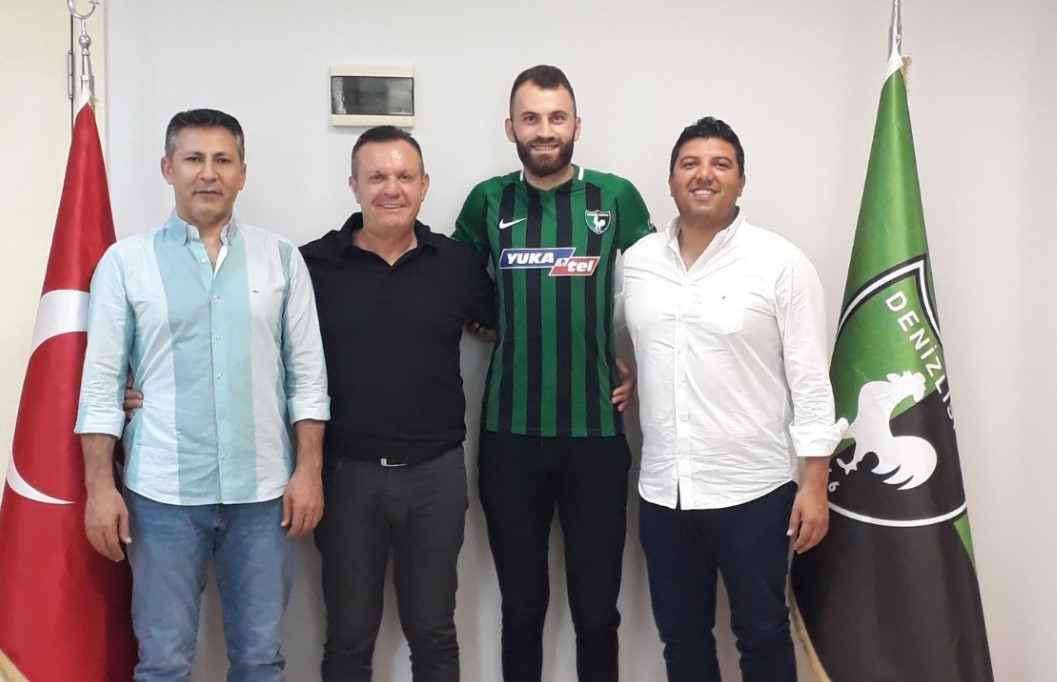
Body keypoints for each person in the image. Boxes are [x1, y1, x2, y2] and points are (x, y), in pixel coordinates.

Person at [75, 108, 330, 681]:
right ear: (168, 168)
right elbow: (101, 385)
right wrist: (99, 488)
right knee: (163, 663)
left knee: (261, 660)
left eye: (223, 160)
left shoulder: (282, 259)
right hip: (161, 494)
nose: (208, 173)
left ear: (243, 173)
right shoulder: (126, 263)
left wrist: (309, 470)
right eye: (193, 159)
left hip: (263, 494)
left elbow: (308, 377)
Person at [617, 116, 841, 682]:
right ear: (671, 179)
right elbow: (625, 337)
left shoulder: (780, 263)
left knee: (762, 633)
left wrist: (815, 484)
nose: (704, 175)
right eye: (690, 164)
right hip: (664, 492)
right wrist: (625, 370)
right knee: (681, 638)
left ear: (741, 181)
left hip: (754, 491)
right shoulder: (637, 261)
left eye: (721, 164)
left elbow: (811, 379)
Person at [453, 65, 654, 682]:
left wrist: (646, 367)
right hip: (509, 436)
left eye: (556, 117)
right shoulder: (488, 200)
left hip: (596, 435)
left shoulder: (615, 197)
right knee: (521, 610)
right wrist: (485, 318)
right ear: (510, 127)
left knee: (597, 614)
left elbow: (662, 292)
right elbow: (453, 281)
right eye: (531, 118)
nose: (544, 130)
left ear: (576, 125)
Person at [300, 126, 495, 682]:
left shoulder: (456, 264)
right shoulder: (311, 266)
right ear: (354, 186)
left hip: (435, 477)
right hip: (345, 477)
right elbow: (264, 351)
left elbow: (509, 327)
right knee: (348, 637)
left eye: (405, 176)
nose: (392, 189)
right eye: (377, 177)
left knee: (434, 635)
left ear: (424, 185)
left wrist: (607, 358)